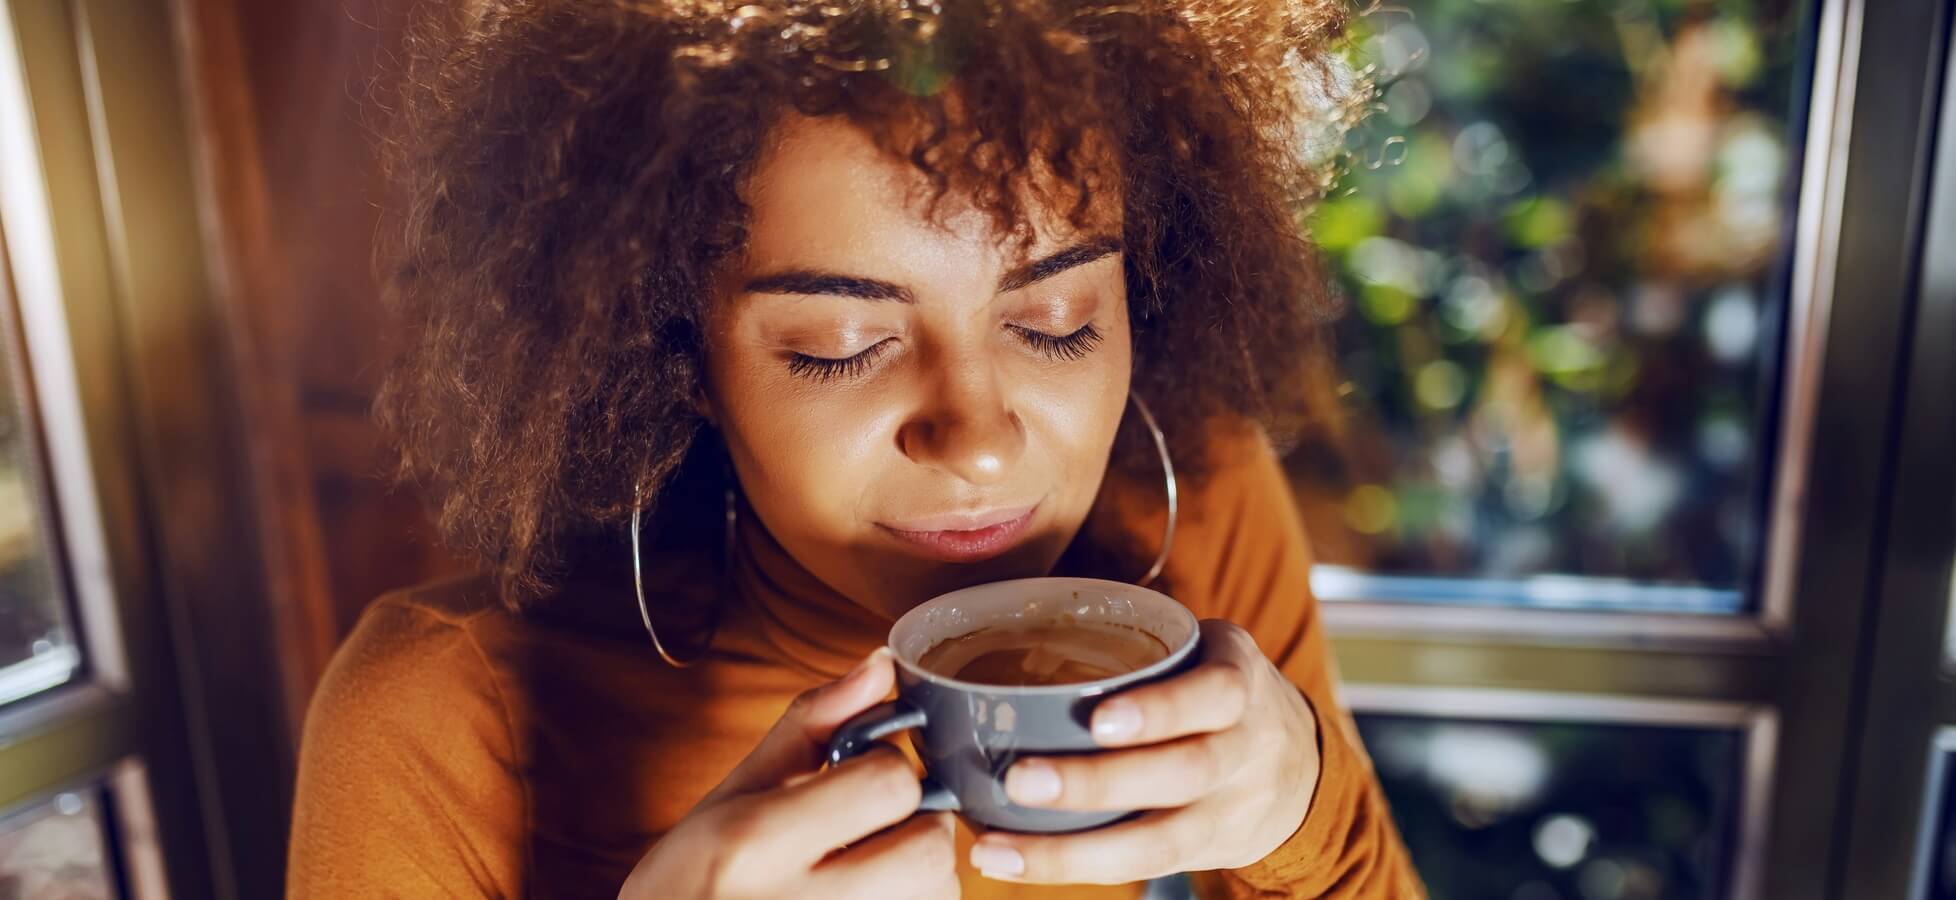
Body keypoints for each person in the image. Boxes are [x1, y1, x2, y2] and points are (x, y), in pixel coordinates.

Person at [287, 0, 1425, 897]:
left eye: (1057, 322)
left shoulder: (1202, 514)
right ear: (678, 348)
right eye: (842, 348)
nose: (979, 446)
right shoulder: (445, 716)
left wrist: (1307, 807)